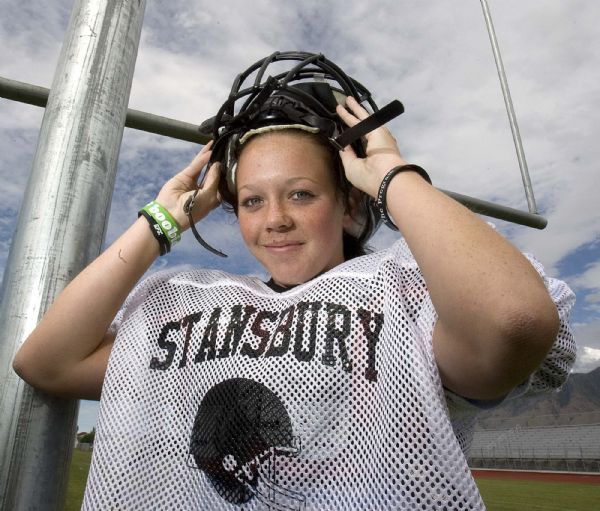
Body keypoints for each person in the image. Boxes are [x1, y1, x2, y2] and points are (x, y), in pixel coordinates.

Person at [13, 52, 575, 510]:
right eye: (252, 201)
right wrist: (164, 220)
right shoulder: (189, 308)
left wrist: (389, 174)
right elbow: (44, 362)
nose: (274, 218)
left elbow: (514, 320)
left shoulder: (405, 297)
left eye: (301, 193)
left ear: (350, 207)